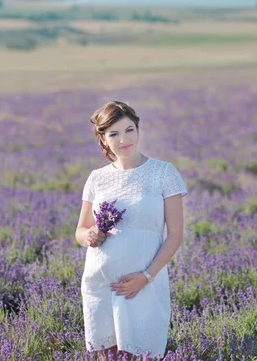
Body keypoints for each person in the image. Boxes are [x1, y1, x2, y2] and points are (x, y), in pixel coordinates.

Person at [75, 101, 187, 360]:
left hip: (143, 283)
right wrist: (89, 235)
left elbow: (175, 235)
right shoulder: (97, 178)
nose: (124, 139)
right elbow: (80, 230)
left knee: (142, 353)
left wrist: (146, 276)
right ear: (103, 139)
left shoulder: (163, 173)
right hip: (101, 283)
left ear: (138, 129)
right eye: (114, 134)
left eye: (129, 130)